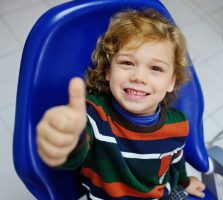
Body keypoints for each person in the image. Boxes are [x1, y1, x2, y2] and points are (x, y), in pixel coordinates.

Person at [36, 8, 205, 199]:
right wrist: (67, 141)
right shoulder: (93, 115)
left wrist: (184, 181)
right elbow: (76, 151)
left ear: (171, 82)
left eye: (156, 68)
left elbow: (176, 160)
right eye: (127, 63)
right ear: (109, 71)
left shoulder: (178, 124)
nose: (139, 77)